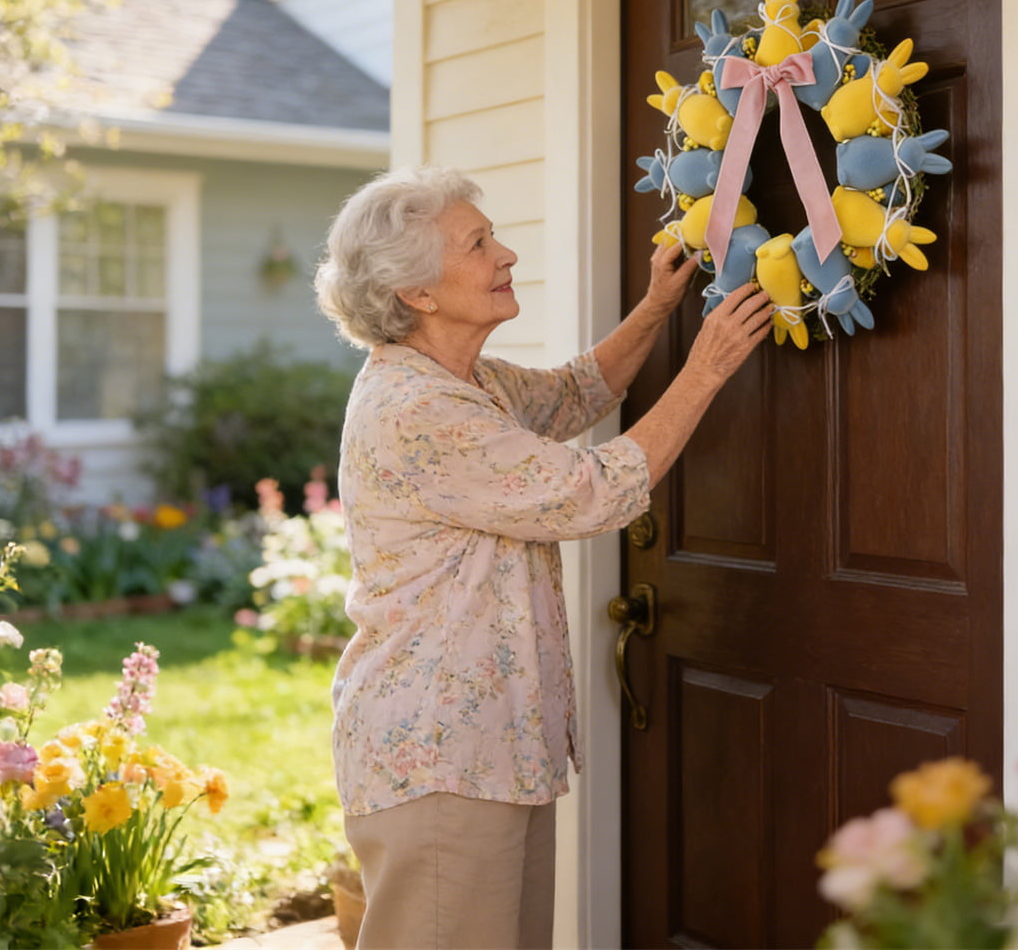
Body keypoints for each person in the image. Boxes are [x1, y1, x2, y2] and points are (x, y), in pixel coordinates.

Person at [314, 165, 772, 950]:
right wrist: (707, 367)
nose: (507, 256)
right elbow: (586, 492)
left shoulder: (464, 381)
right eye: (479, 243)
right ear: (417, 293)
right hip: (439, 758)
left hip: (489, 750)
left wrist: (659, 307)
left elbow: (574, 392)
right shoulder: (418, 408)